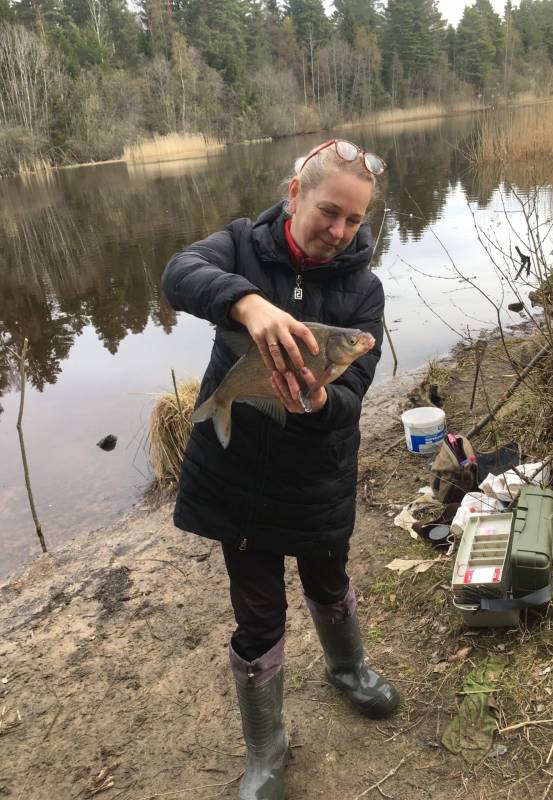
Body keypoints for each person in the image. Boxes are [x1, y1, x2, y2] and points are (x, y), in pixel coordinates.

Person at [162, 139, 399, 800]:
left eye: (354, 220)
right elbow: (179, 274)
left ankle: (347, 670)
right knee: (258, 616)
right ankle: (266, 748)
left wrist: (321, 400)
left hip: (317, 482)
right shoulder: (238, 247)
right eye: (329, 211)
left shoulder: (363, 291)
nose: (339, 231)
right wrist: (247, 304)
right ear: (295, 193)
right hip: (237, 486)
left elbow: (352, 399)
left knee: (329, 583)